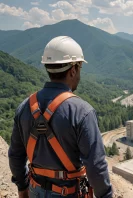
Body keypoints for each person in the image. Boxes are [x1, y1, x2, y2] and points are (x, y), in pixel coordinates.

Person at [8, 36, 113, 198]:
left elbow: (16, 154)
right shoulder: (82, 112)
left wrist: (22, 188)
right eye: (80, 69)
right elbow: (96, 167)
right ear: (73, 70)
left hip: (35, 190)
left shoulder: (24, 107)